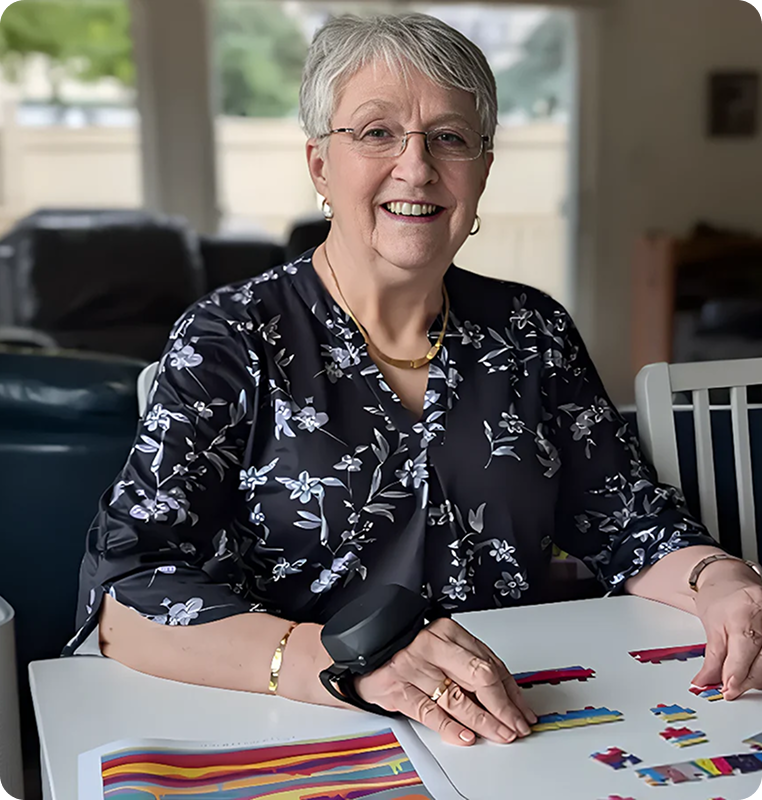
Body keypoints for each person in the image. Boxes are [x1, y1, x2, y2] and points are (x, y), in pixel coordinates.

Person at [69, 13, 762, 747]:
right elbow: (125, 599)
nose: (417, 166)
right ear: (319, 166)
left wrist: (719, 578)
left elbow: (627, 523)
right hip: (299, 726)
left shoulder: (531, 331)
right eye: (377, 132)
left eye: (450, 138)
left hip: (514, 718)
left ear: (482, 170)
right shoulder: (231, 337)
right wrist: (335, 665)